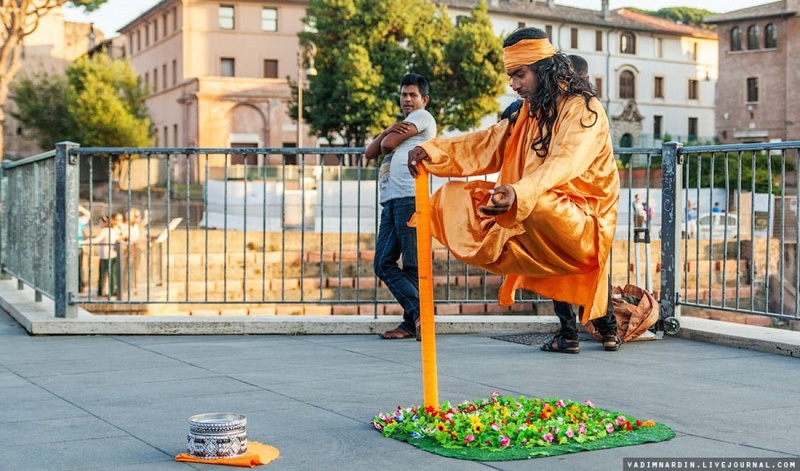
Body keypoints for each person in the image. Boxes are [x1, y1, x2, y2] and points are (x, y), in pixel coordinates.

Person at [408, 27, 620, 353]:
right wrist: (433, 151)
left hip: (582, 223)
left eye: (519, 75)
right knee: (451, 198)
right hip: (533, 210)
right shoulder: (529, 110)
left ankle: (597, 330)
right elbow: (487, 144)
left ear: (543, 68)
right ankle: (571, 331)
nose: (514, 85)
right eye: (511, 77)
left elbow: (565, 161)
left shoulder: (584, 108)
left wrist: (519, 192)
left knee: (532, 204)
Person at [365, 73, 437, 340]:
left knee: (411, 265)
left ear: (424, 99)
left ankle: (415, 319)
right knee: (383, 262)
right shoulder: (406, 122)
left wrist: (389, 133)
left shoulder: (422, 117)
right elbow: (369, 152)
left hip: (410, 198)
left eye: (413, 95)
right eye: (404, 94)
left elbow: (386, 145)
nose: (407, 99)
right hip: (393, 201)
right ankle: (417, 316)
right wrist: (389, 128)